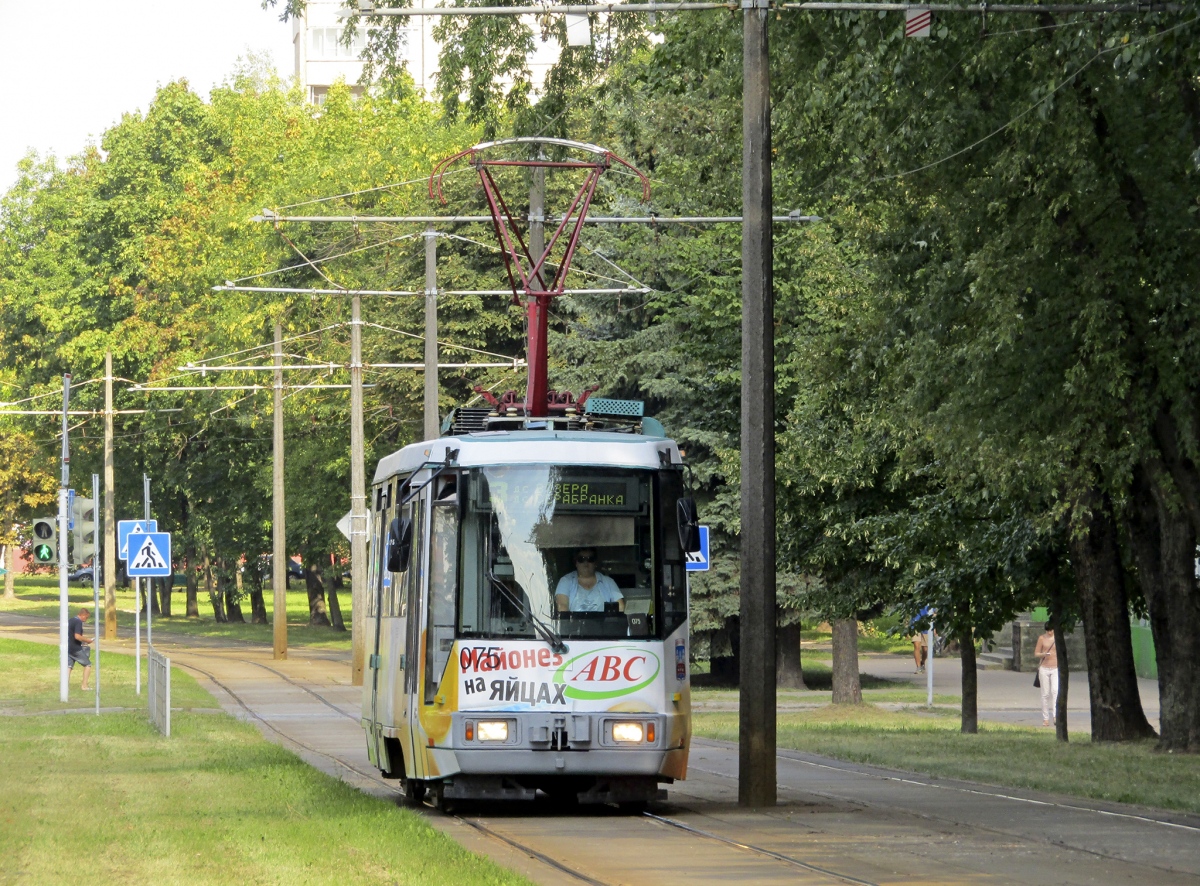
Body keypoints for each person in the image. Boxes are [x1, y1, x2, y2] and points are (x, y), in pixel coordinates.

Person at [554, 548, 624, 613]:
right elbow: (562, 607)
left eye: (590, 559)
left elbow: (620, 607)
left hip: (603, 626)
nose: (586, 564)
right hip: (575, 626)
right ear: (576, 563)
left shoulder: (608, 582)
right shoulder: (565, 581)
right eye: (581, 559)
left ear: (595, 563)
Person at [1035, 622, 1059, 727]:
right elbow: (1036, 653)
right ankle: (1045, 718)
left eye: (1052, 630)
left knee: (1055, 691)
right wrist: (1044, 654)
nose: (1050, 632)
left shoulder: (1057, 638)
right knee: (1045, 694)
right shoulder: (1042, 638)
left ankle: (1055, 716)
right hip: (1044, 668)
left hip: (1055, 668)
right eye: (1048, 630)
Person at [68, 607, 92, 691]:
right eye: (86, 617)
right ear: (82, 615)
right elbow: (77, 636)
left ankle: (65, 687)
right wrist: (87, 640)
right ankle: (84, 686)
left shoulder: (71, 620)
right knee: (88, 665)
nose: (86, 619)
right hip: (75, 648)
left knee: (69, 666)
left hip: (68, 647)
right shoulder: (78, 622)